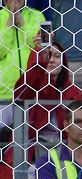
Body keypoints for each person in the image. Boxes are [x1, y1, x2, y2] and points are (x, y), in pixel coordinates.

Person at [13, 41, 82, 151]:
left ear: (63, 62)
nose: (51, 60)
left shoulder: (75, 93)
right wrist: (41, 62)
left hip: (65, 150)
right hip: (29, 151)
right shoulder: (28, 87)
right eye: (47, 55)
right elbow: (20, 94)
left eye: (57, 56)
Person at [0, 0, 44, 129]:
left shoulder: (37, 16)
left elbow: (40, 47)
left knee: (29, 139)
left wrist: (22, 23)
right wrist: (9, 24)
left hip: (32, 90)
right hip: (4, 93)